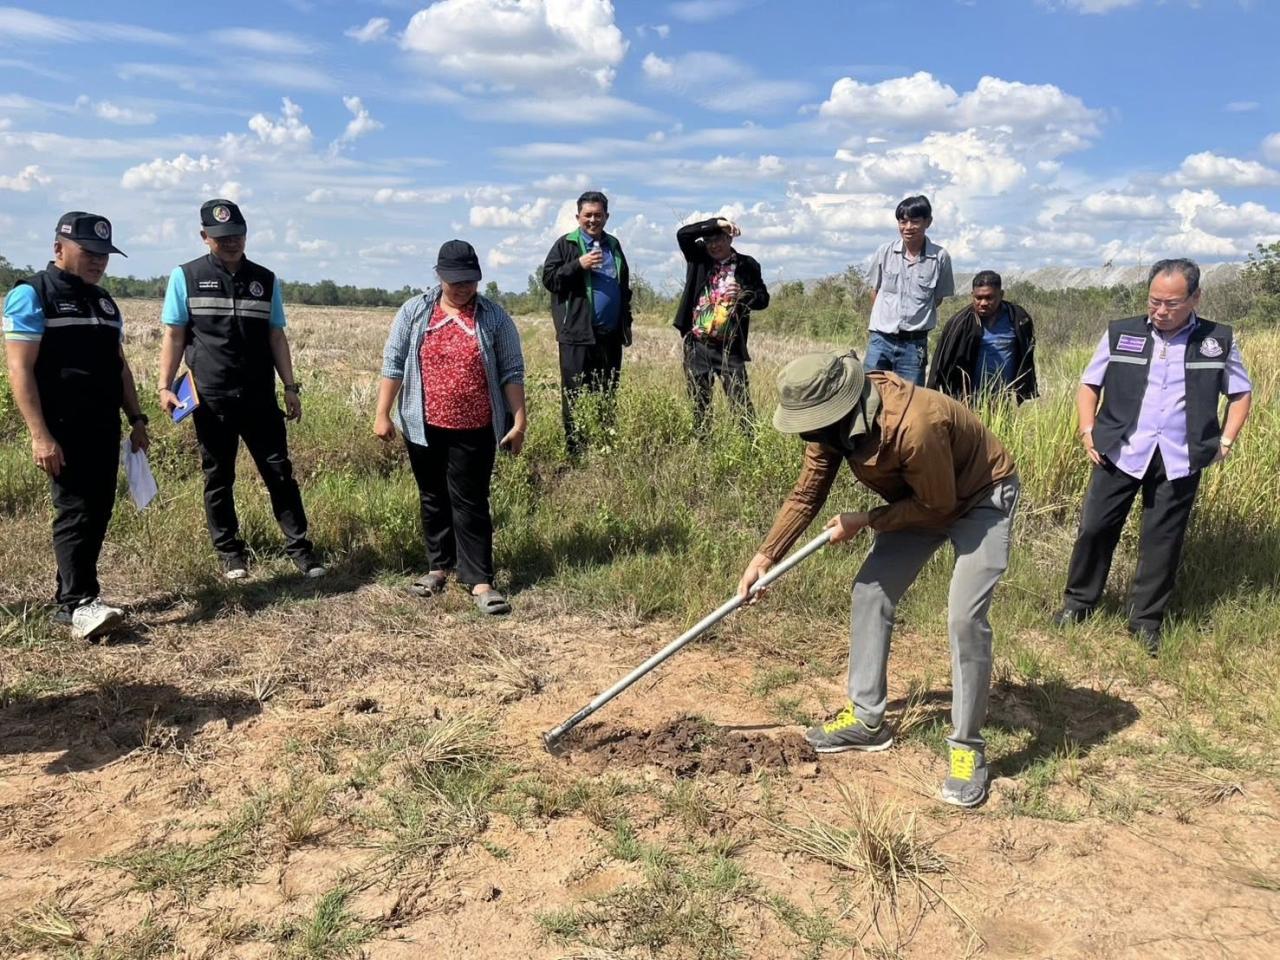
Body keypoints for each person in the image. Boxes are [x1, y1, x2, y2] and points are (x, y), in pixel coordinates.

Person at [737, 353, 1019, 807]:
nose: (809, 434)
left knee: (964, 617)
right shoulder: (829, 424)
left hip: (979, 497)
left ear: (841, 406)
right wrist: (766, 554)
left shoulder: (915, 425)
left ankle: (967, 748)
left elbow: (941, 506)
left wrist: (865, 519)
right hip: (920, 497)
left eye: (813, 424)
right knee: (871, 590)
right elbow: (809, 490)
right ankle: (867, 721)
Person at [1054, 259, 1252, 653]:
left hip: (1180, 456)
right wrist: (1087, 429)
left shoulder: (1217, 341)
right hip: (1121, 449)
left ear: (1195, 297)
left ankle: (1145, 621)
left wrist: (1225, 442)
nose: (1161, 311)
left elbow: (1241, 393)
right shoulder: (1121, 333)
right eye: (1154, 302)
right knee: (1095, 528)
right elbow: (1089, 383)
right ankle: (1078, 604)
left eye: (1172, 303)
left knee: (1163, 540)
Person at [157, 199, 324, 580]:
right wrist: (164, 385)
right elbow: (174, 334)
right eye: (221, 237)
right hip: (210, 396)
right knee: (218, 476)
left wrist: (291, 386)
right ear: (204, 237)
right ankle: (230, 552)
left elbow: (276, 335)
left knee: (279, 472)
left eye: (237, 235)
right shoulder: (186, 276)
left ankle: (300, 549)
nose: (231, 242)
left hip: (259, 396)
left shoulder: (265, 279)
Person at [2, 212, 150, 640]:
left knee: (98, 509)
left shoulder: (103, 301)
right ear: (58, 249)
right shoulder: (33, 295)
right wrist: (39, 434)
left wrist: (136, 418)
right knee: (74, 512)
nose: (98, 261)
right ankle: (78, 604)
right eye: (89, 252)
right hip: (62, 428)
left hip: (102, 425)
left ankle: (72, 597)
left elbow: (119, 367)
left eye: (104, 255)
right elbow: (19, 369)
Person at [374, 240, 527, 615]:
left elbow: (512, 370)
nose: (463, 288)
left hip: (476, 426)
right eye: (455, 280)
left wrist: (519, 419)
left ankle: (480, 581)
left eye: (470, 281)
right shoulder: (415, 312)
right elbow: (393, 362)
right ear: (438, 275)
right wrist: (383, 413)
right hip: (422, 423)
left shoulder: (494, 317)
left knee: (471, 500)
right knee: (433, 496)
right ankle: (438, 568)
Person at [541, 190, 632, 458]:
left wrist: (625, 321)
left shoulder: (613, 245)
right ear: (578, 217)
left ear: (607, 216)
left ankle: (604, 444)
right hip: (576, 335)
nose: (593, 220)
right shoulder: (566, 245)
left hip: (610, 335)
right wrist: (578, 265)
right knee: (575, 395)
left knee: (606, 392)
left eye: (598, 215)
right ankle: (576, 452)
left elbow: (624, 287)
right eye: (588, 215)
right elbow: (549, 280)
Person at [673, 216, 770, 430]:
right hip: (697, 344)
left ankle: (748, 448)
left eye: (719, 239)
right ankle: (703, 447)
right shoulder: (699, 258)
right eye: (709, 240)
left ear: (730, 239)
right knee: (699, 403)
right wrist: (716, 223)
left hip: (729, 347)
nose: (714, 245)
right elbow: (683, 234)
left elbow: (763, 299)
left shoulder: (748, 265)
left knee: (740, 403)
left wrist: (744, 295)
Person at [864, 195, 955, 385]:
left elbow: (937, 299)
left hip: (914, 345)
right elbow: (875, 291)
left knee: (911, 402)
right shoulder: (884, 252)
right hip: (881, 340)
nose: (907, 227)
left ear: (928, 222)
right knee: (870, 395)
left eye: (915, 221)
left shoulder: (940, 257)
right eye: (902, 221)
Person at [928, 270, 1037, 404]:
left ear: (1001, 295)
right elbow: (940, 361)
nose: (983, 303)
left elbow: (1026, 354)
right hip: (967, 399)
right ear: (972, 295)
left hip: (1003, 398)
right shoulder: (960, 323)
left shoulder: (1018, 319)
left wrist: (1025, 388)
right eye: (978, 298)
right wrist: (932, 394)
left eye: (989, 297)